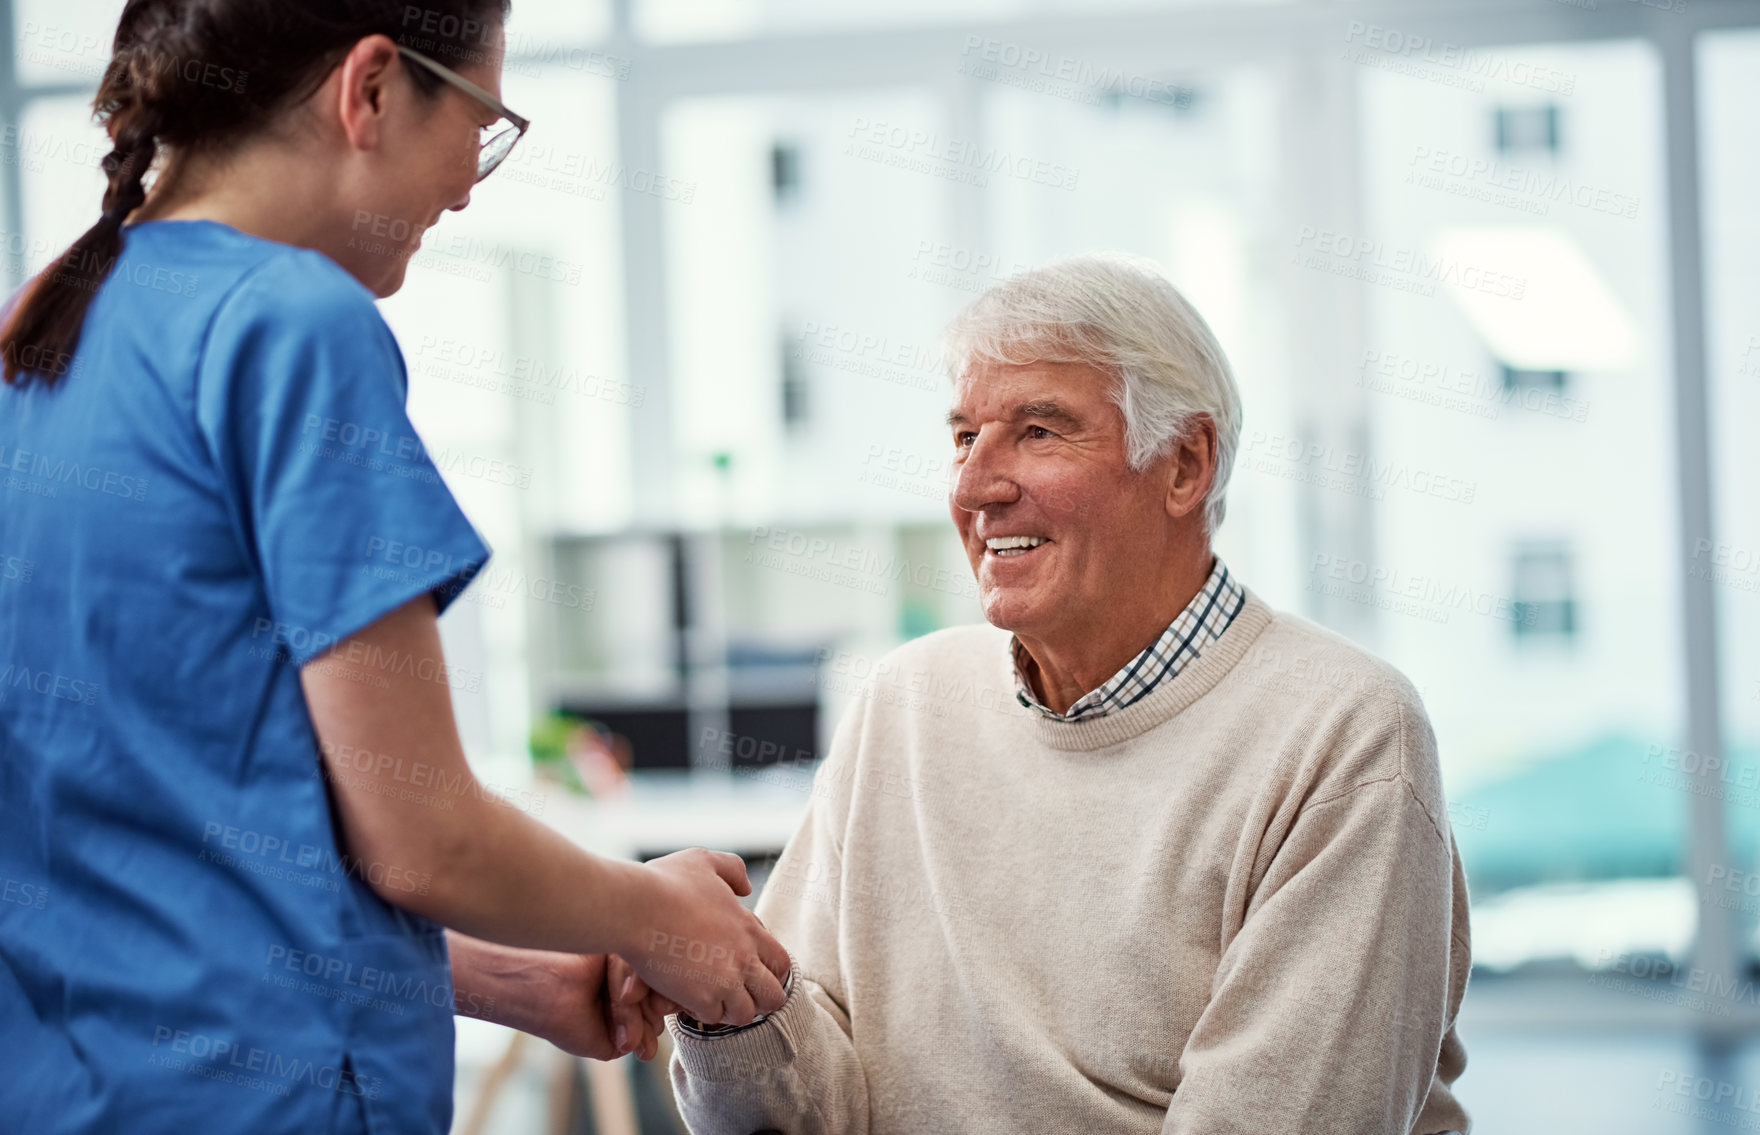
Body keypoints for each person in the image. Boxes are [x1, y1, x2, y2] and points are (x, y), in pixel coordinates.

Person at [0, 3, 781, 1132]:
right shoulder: (289, 323)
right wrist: (657, 912)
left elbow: (162, 847)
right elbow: (423, 837)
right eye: (481, 123)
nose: (468, 185)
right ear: (369, 89)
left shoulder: (39, 332)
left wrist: (511, 973)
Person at [660, 254, 1472, 1134]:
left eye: (1040, 431)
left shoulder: (1345, 735)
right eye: (965, 436)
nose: (976, 487)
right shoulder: (905, 702)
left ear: (1185, 464)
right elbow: (806, 1115)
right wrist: (729, 992)